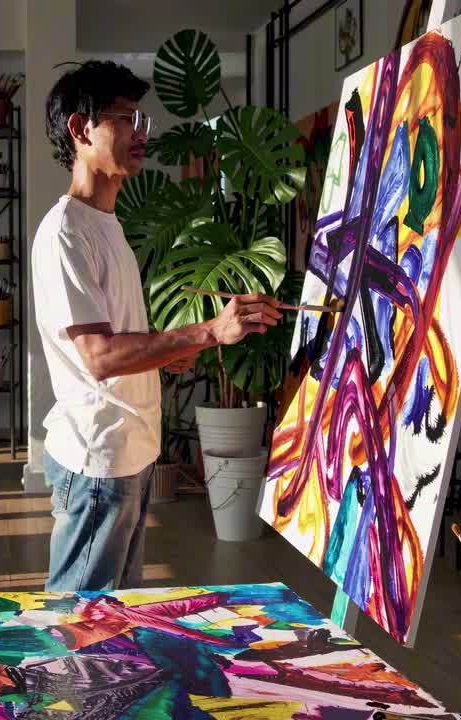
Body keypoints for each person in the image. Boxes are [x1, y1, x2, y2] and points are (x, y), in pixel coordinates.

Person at [31, 60, 283, 592]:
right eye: (125, 119)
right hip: (97, 458)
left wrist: (170, 355)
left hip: (129, 451)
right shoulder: (65, 232)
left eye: (140, 119)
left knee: (113, 617)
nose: (141, 133)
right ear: (80, 129)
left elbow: (120, 340)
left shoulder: (108, 226)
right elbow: (99, 356)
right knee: (80, 621)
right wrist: (207, 332)